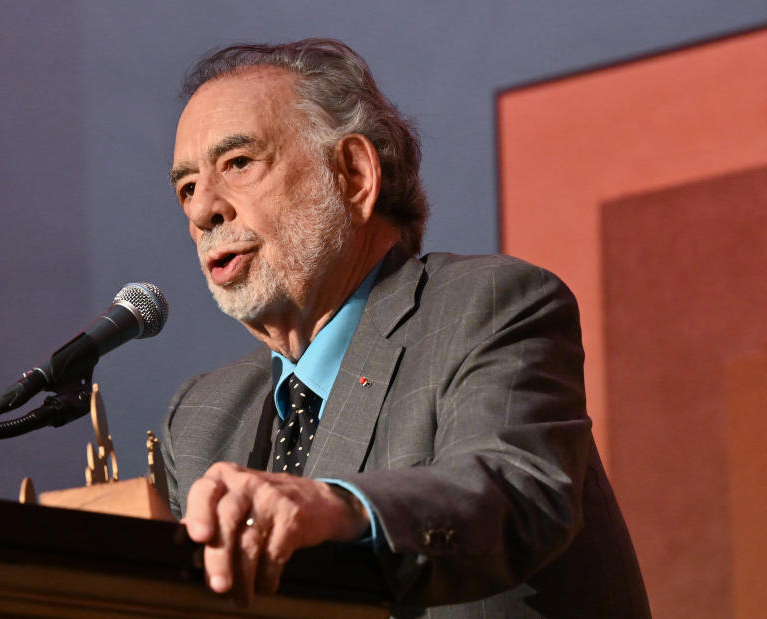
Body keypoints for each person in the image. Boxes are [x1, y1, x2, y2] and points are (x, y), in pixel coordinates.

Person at [161, 39, 650, 617]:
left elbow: (511, 490)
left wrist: (335, 508)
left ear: (353, 175)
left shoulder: (488, 306)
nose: (202, 211)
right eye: (187, 187)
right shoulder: (199, 420)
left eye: (238, 163)